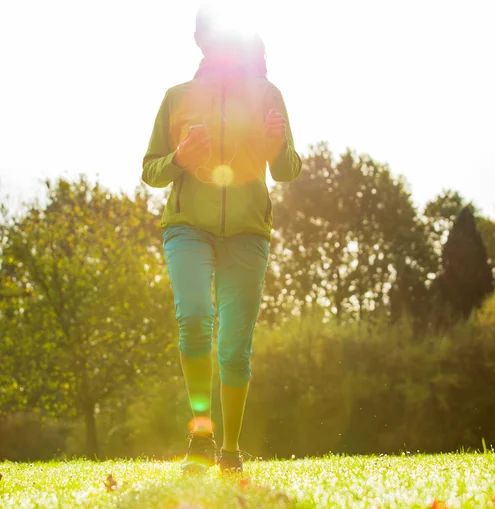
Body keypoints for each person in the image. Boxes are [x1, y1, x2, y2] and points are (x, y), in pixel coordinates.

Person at [142, 9, 302, 473]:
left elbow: (288, 170)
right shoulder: (176, 97)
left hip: (249, 232)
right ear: (198, 40)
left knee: (234, 346)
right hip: (187, 226)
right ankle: (201, 438)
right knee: (194, 318)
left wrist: (277, 147)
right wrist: (178, 157)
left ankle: (230, 450)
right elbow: (150, 170)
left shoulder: (269, 95)